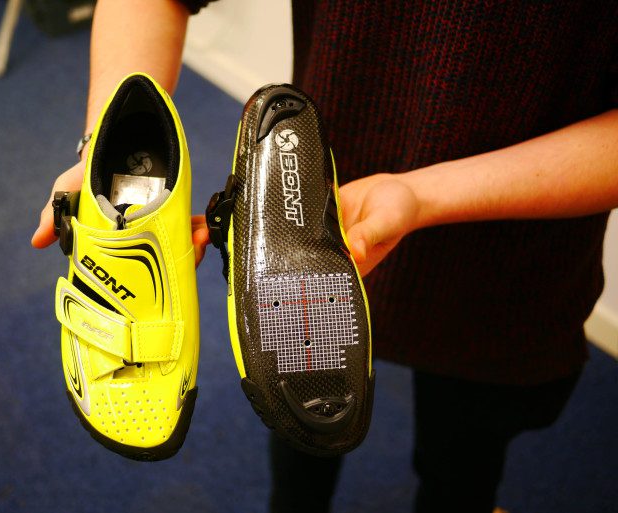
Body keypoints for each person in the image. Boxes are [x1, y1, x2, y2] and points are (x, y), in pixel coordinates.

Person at [32, 1, 618, 512]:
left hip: (512, 259)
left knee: (461, 461)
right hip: (314, 229)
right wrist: (99, 147)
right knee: (299, 414)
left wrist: (423, 195)